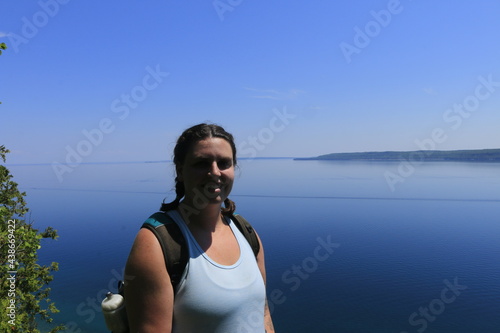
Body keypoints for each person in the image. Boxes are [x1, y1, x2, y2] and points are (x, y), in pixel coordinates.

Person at [124, 123, 275, 332]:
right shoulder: (157, 243)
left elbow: (263, 312)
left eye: (224, 163)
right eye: (202, 163)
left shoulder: (245, 231)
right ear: (180, 170)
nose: (215, 172)